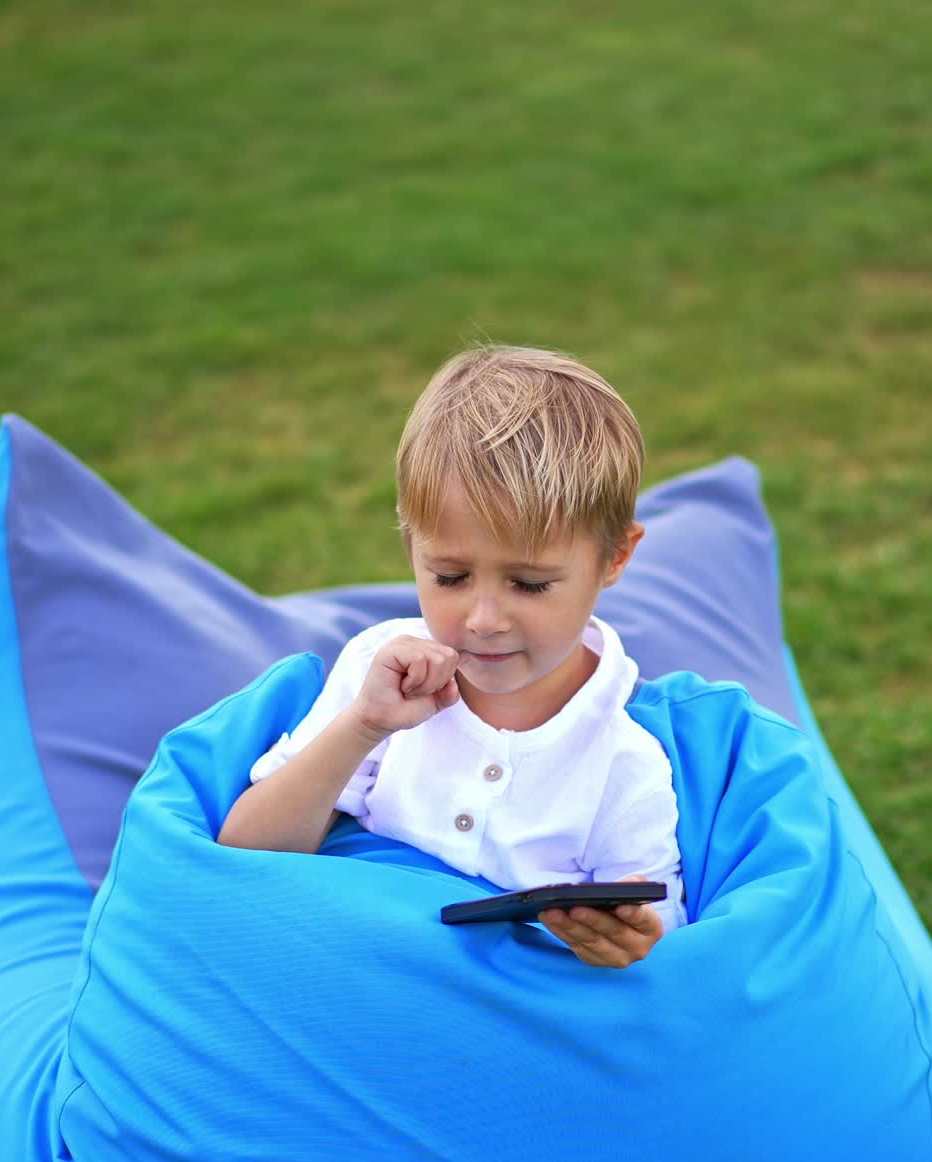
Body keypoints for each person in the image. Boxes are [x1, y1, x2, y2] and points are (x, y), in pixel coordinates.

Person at [218, 345, 687, 967]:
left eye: (530, 584)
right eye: (449, 576)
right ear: (412, 545)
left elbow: (663, 933)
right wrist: (362, 727)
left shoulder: (624, 762)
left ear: (616, 559)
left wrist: (632, 935)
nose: (483, 620)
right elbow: (247, 849)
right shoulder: (379, 673)